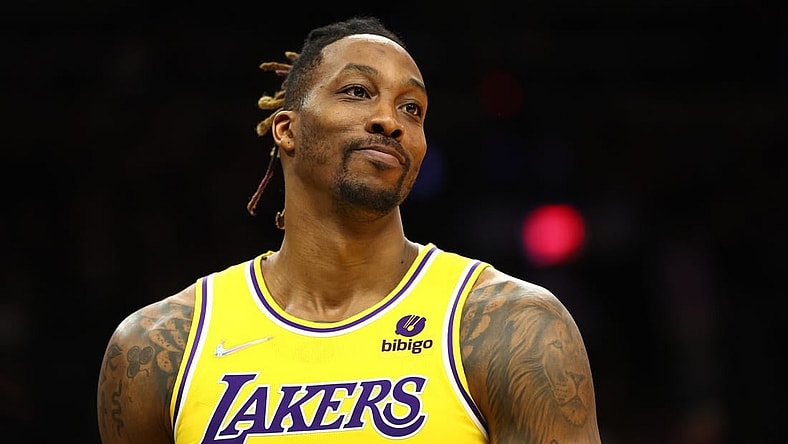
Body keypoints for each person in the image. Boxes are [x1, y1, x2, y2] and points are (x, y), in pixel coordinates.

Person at [96, 16, 602, 444]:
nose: (390, 120)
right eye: (358, 92)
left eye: (412, 108)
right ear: (287, 129)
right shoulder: (158, 348)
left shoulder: (510, 327)